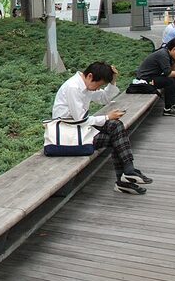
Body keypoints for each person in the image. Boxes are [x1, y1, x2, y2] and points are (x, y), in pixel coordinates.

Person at [52, 61, 153, 195]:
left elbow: (104, 98)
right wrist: (107, 117)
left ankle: (128, 171)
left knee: (116, 126)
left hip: (79, 128)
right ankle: (125, 177)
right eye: (98, 85)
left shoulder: (85, 85)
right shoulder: (73, 87)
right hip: (68, 134)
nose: (96, 88)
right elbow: (80, 119)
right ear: (89, 76)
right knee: (115, 137)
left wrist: (113, 80)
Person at [135, 39, 175, 116]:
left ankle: (173, 104)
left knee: (173, 78)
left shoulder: (168, 54)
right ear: (174, 49)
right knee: (169, 81)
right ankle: (167, 109)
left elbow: (172, 71)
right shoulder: (163, 55)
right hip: (145, 79)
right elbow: (169, 74)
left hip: (153, 76)